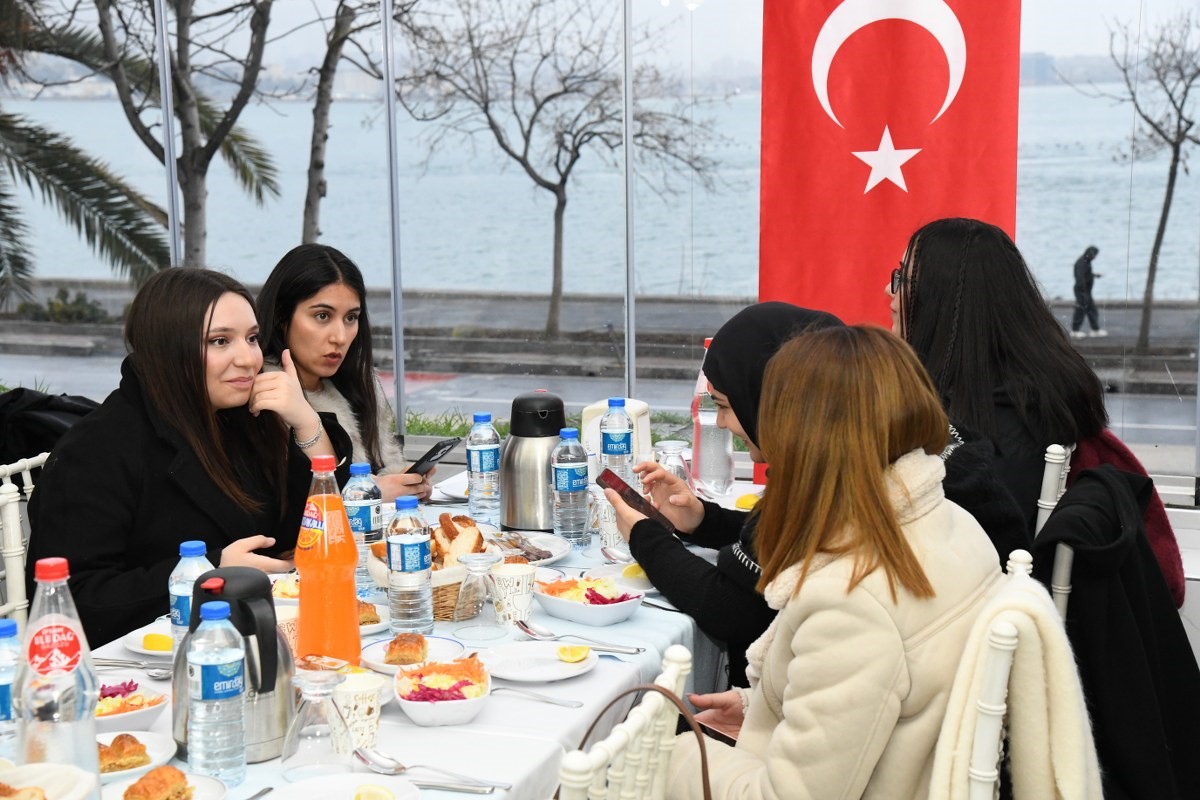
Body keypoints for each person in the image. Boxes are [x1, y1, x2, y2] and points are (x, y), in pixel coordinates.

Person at [654, 326, 1003, 798]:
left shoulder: (852, 601)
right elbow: (888, 693)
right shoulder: (954, 523)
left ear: (799, 432)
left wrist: (667, 755)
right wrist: (763, 706)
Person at [606, 302, 1025, 687]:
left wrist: (645, 535)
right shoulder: (914, 473)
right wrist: (704, 520)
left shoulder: (849, 502)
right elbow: (791, 539)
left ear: (778, 401)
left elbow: (736, 609)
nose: (722, 423)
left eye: (726, 406)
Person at [26, 268, 352, 646]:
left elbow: (303, 529)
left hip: (245, 634)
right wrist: (208, 572)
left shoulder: (239, 418)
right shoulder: (97, 449)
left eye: (251, 338)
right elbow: (72, 600)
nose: (247, 359)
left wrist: (305, 422)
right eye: (219, 342)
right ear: (169, 348)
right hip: (139, 671)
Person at [887, 217, 1184, 607]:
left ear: (937, 299)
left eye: (901, 280)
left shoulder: (988, 431)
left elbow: (954, 563)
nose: (888, 292)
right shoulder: (1030, 401)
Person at [257, 243, 432, 501]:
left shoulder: (358, 385)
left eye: (351, 318)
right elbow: (287, 507)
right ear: (282, 317)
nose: (340, 337)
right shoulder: (265, 395)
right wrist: (371, 493)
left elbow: (379, 464)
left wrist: (402, 479)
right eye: (322, 316)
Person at [1071, 245, 1104, 338]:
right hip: (1082, 290)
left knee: (1091, 310)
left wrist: (1094, 275)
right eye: (1095, 255)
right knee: (1080, 310)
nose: (1095, 257)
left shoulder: (1085, 262)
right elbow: (1080, 278)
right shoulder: (1082, 263)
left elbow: (1086, 274)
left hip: (1085, 291)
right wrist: (1083, 293)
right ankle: (1075, 331)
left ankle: (1095, 329)